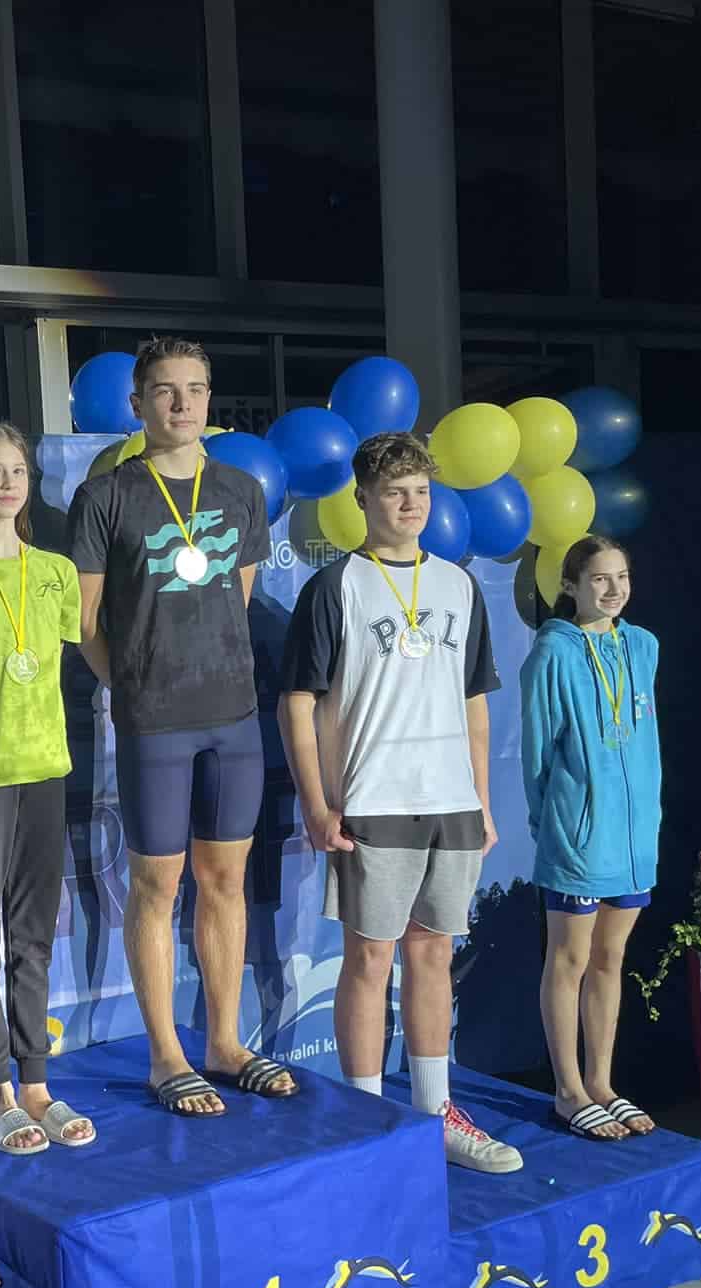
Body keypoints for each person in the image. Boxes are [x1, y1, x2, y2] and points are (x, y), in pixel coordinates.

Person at [276, 432, 522, 1174]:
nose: (411, 505)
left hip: (450, 801)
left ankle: (434, 1110)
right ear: (363, 500)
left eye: (420, 491)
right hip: (372, 798)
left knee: (434, 954)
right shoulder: (336, 586)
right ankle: (365, 1122)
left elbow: (475, 702)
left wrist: (482, 801)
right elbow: (297, 703)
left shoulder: (458, 585)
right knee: (370, 957)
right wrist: (317, 804)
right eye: (394, 492)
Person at [69, 337, 293, 1118]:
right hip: (154, 724)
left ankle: (225, 1043)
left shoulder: (239, 490)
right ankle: (167, 1056)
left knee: (226, 882)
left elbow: (237, 601)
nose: (182, 403)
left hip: (233, 718)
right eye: (165, 390)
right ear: (138, 404)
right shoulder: (107, 497)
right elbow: (86, 623)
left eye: (195, 388)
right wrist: (136, 684)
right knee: (157, 886)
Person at [0, 423, 95, 1156]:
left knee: (32, 937)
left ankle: (36, 1081)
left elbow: (66, 650)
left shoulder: (57, 572)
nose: (7, 483)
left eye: (18, 471)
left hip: (45, 770)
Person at [521, 534, 660, 1140]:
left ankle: (602, 1083)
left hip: (633, 838)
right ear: (571, 585)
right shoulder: (552, 653)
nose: (613, 589)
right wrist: (554, 824)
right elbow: (536, 754)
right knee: (570, 959)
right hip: (577, 835)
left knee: (611, 958)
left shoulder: (644, 646)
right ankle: (568, 1090)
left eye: (621, 577)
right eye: (599, 579)